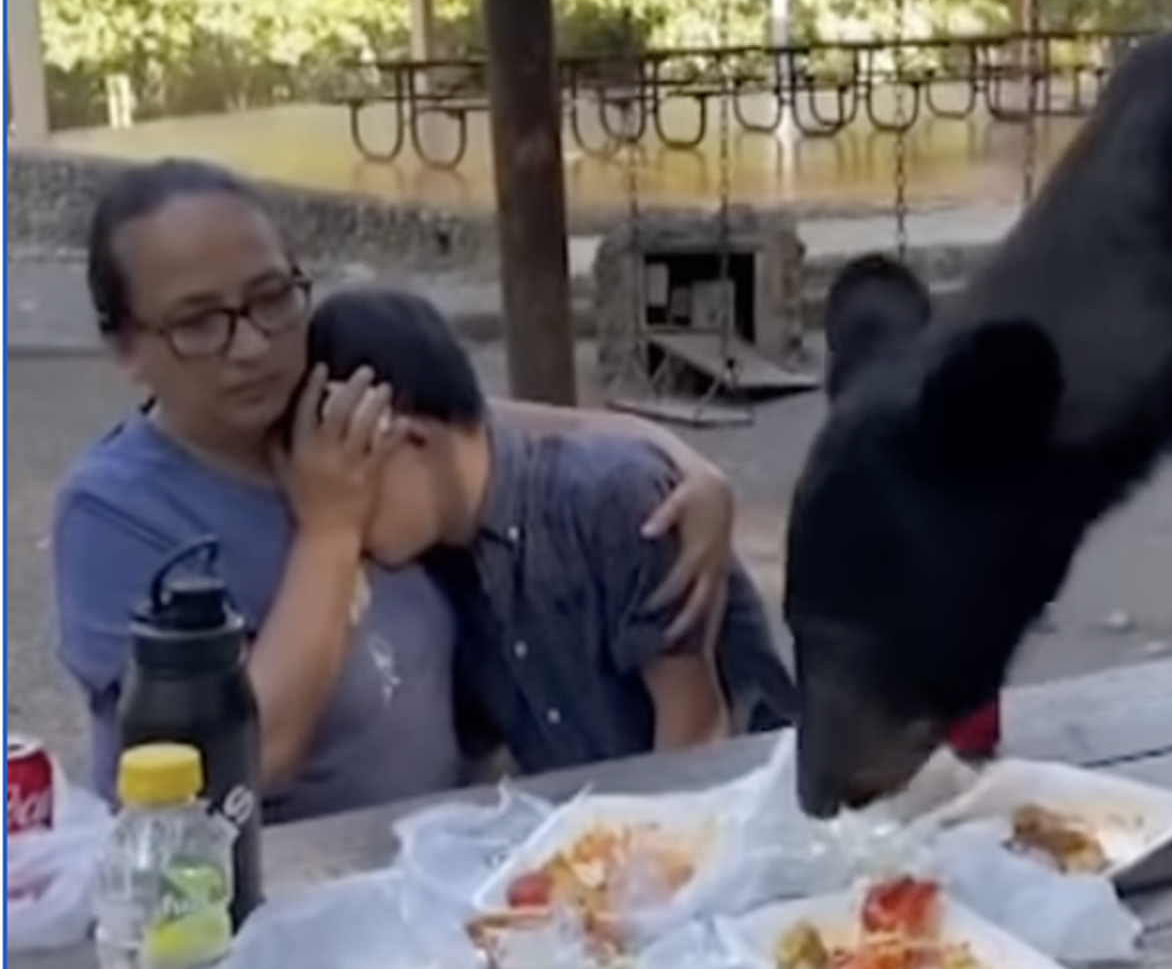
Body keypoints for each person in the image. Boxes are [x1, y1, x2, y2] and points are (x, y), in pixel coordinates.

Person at [52, 158, 740, 822]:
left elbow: (475, 424)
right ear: (125, 349)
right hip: (253, 900)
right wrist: (330, 532)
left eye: (270, 298)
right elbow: (248, 762)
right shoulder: (116, 513)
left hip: (438, 869)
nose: (254, 346)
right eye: (199, 322)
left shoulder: (326, 404)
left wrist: (687, 466)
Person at [296, 287, 798, 772]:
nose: (340, 509)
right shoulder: (441, 559)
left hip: (736, 807)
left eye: (349, 479)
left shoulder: (614, 502)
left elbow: (695, 735)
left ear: (410, 440)